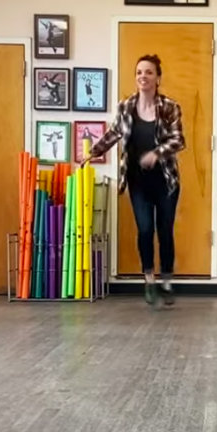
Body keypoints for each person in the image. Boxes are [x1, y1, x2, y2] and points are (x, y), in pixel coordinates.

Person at [82, 54, 185, 307]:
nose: (143, 76)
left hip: (165, 180)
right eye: (139, 72)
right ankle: (149, 280)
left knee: (165, 231)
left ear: (158, 78)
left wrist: (156, 153)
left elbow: (178, 140)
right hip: (137, 181)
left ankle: (167, 281)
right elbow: (115, 132)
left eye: (149, 72)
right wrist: (94, 152)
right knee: (145, 230)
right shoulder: (125, 106)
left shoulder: (170, 106)